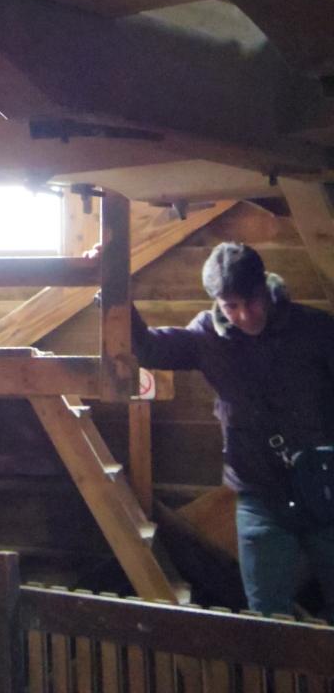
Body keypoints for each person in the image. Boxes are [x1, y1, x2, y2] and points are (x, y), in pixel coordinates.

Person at [131, 240, 334, 619]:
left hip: (326, 488)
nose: (243, 315)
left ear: (265, 289)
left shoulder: (315, 330)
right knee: (267, 617)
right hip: (261, 497)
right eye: (231, 306)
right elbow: (148, 349)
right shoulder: (207, 336)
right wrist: (110, 287)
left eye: (251, 301)